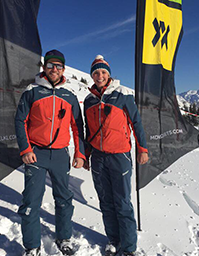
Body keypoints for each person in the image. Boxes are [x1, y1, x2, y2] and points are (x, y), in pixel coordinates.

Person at [15, 49, 85, 256]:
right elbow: (20, 121)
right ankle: (32, 246)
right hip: (36, 154)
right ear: (44, 67)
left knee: (64, 198)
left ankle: (64, 238)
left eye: (59, 66)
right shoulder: (32, 91)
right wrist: (25, 149)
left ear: (64, 69)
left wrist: (80, 153)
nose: (54, 69)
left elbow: (77, 126)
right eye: (51, 65)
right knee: (31, 201)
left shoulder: (69, 95)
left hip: (61, 155)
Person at [83, 55, 149, 256]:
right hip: (98, 158)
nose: (100, 76)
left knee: (122, 202)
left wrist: (142, 149)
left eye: (103, 72)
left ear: (108, 74)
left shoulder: (122, 95)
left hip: (120, 156)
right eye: (96, 73)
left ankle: (128, 248)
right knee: (105, 201)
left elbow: (136, 123)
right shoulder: (88, 100)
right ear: (92, 75)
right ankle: (113, 239)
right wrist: (86, 154)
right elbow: (88, 129)